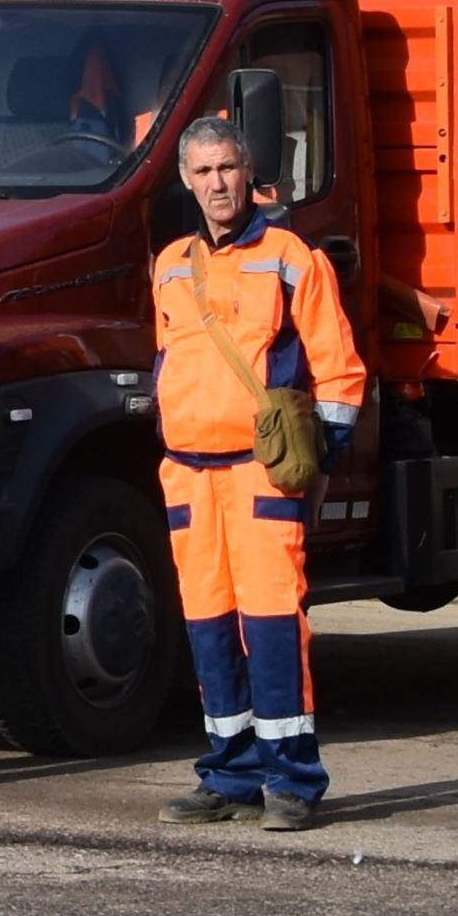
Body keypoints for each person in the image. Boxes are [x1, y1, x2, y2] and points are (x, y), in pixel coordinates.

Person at [150, 112, 366, 833]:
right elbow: (166, 365)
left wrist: (317, 466)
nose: (216, 183)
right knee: (208, 626)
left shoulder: (291, 256)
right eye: (202, 171)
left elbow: (339, 372)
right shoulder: (171, 264)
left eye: (226, 169)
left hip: (260, 474)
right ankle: (229, 770)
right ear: (185, 180)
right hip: (188, 474)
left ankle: (293, 781)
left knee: (273, 625)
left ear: (250, 175)